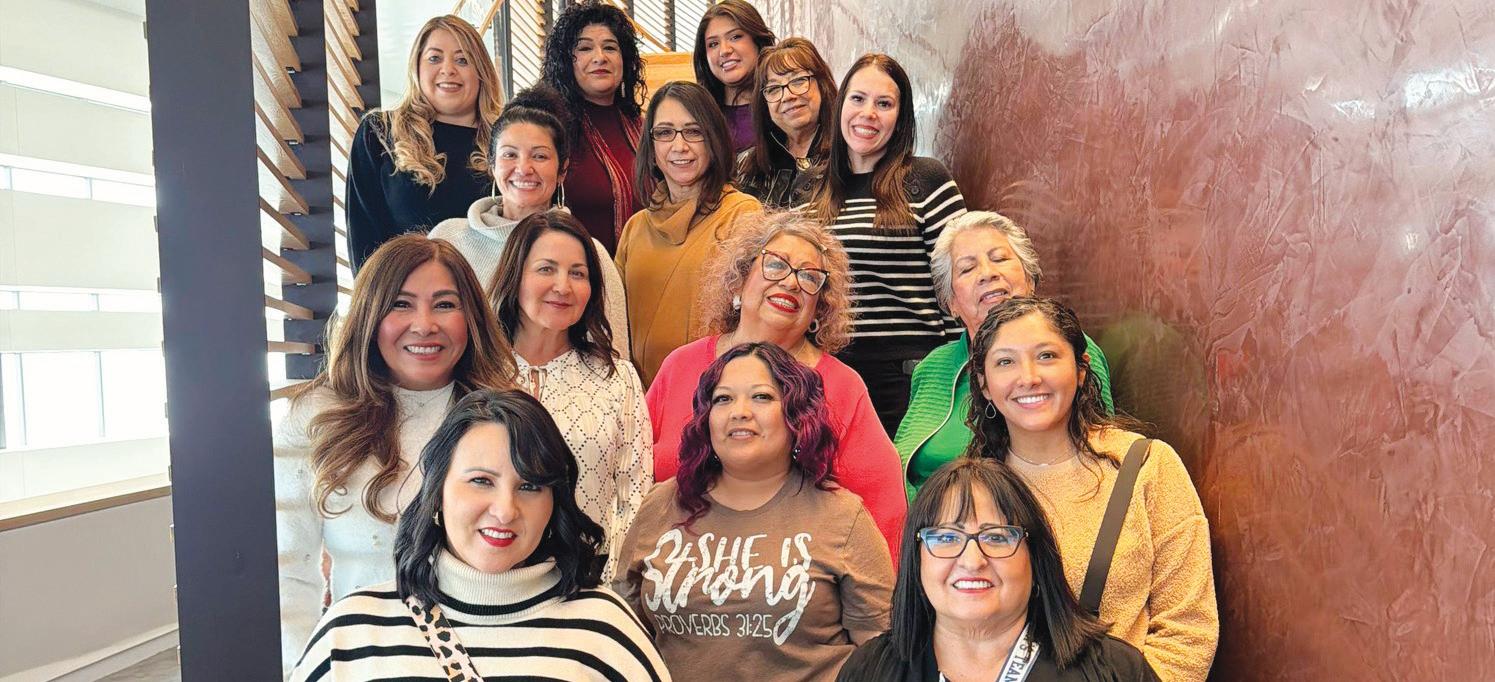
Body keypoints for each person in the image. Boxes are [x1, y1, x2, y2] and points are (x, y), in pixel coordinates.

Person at [290, 389, 670, 680]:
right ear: (437, 492)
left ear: (554, 503)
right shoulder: (351, 632)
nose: (505, 510)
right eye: (481, 481)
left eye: (530, 486)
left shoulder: (607, 632)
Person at [275, 235, 515, 671]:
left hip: (488, 661)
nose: (424, 325)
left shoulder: (507, 417)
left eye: (445, 304)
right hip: (360, 663)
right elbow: (286, 572)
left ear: (471, 318)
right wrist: (303, 669)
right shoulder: (316, 418)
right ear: (369, 315)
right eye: (401, 304)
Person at [966, 297, 1218, 682]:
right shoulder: (968, 489)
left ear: (1081, 370)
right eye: (1005, 362)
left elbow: (1188, 629)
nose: (1028, 377)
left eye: (1047, 356)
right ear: (984, 384)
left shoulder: (1145, 466)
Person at [616, 343, 894, 681]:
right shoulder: (660, 504)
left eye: (761, 397)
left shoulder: (843, 516)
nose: (740, 411)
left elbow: (881, 655)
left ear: (796, 414)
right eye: (723, 399)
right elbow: (623, 630)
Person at [648, 212, 907, 558]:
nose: (791, 282)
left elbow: (884, 512)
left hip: (797, 578)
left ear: (818, 310)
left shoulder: (843, 386)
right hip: (674, 568)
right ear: (739, 282)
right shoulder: (680, 365)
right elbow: (630, 473)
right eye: (775, 265)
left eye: (809, 276)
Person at [837, 458, 1161, 681]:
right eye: (947, 537)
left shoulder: (1115, 671)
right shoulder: (869, 672)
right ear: (916, 558)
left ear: (1035, 556)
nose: (972, 560)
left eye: (997, 537)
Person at [895, 211, 1114, 500]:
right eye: (967, 269)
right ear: (951, 303)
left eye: (999, 258)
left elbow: (1100, 456)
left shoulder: (1067, 349)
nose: (987, 273)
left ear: (1030, 279)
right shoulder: (933, 366)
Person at [488, 210, 651, 580]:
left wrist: (607, 588)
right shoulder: (478, 371)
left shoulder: (617, 377)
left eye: (578, 273)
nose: (563, 286)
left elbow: (634, 496)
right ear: (515, 276)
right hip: (488, 582)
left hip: (588, 582)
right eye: (546, 269)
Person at [811, 53, 968, 435]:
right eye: (858, 98)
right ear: (840, 104)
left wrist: (960, 372)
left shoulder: (926, 180)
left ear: (900, 118)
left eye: (884, 104)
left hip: (912, 378)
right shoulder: (808, 190)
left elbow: (959, 278)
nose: (868, 113)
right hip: (827, 374)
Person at [429, 84, 630, 357]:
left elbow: (613, 360)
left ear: (562, 170)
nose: (524, 168)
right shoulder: (448, 240)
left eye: (540, 156)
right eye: (510, 154)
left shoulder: (588, 254)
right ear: (492, 165)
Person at [616, 81, 763, 386]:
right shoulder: (635, 228)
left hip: (717, 393)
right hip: (644, 396)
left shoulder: (741, 214)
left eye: (693, 132)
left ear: (714, 140)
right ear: (651, 147)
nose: (679, 146)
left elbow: (753, 324)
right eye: (665, 132)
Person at [346, 15, 502, 270]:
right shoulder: (380, 133)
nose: (448, 69)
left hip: (494, 293)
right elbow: (363, 239)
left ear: (481, 73)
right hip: (406, 291)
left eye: (462, 60)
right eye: (434, 58)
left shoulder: (506, 140)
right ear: (417, 67)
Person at [542, 1, 647, 254]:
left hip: (646, 269)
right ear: (566, 62)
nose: (600, 57)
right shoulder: (550, 130)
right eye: (585, 48)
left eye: (610, 47)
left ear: (625, 59)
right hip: (577, 269)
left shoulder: (645, 127)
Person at [734, 37, 836, 209]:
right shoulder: (745, 166)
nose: (788, 96)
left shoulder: (848, 156)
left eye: (798, 81)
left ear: (822, 85)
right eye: (773, 89)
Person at [692, 0, 776, 152]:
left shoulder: (785, 103)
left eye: (735, 37)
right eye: (713, 44)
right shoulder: (696, 116)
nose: (724, 50)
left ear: (757, 41)